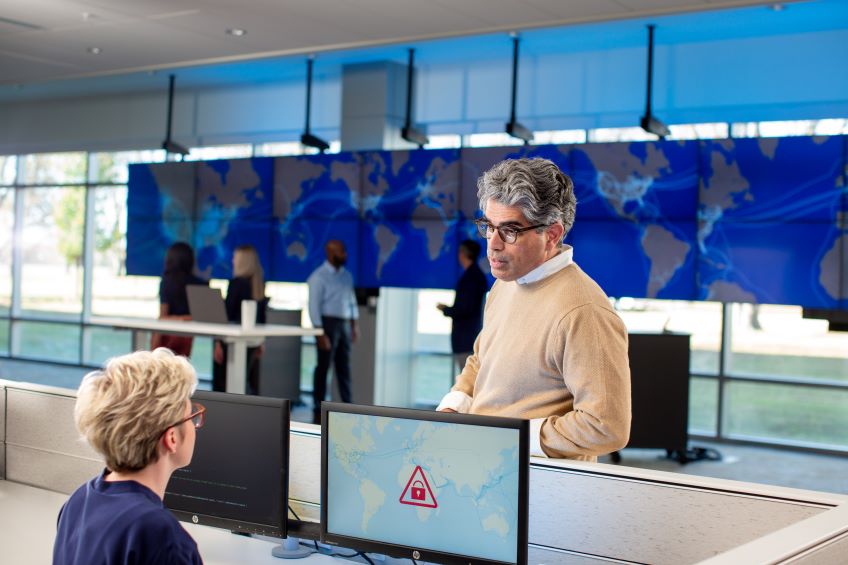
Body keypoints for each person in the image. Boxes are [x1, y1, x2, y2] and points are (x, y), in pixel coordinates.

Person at [437, 158, 631, 461]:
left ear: (551, 234)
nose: (493, 245)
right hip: (483, 467)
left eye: (510, 230)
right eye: (488, 226)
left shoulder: (584, 311)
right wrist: (454, 406)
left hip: (540, 490)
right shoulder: (507, 283)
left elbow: (606, 426)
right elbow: (481, 359)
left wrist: (510, 438)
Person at [53, 349, 204, 565]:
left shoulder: (79, 500)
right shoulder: (163, 537)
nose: (195, 425)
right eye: (192, 416)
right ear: (171, 438)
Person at [307, 239, 358, 424]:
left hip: (344, 323)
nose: (344, 255)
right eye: (340, 252)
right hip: (326, 324)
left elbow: (351, 301)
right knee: (323, 367)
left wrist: (354, 325)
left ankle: (348, 405)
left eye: (344, 251)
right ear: (329, 252)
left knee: (344, 367)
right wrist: (319, 332)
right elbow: (313, 306)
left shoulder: (347, 276)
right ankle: (317, 407)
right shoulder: (318, 277)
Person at [213, 244, 267, 395]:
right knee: (246, 379)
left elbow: (227, 315)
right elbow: (262, 318)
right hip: (253, 340)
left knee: (227, 382)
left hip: (233, 340)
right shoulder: (259, 284)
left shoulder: (236, 284)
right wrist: (261, 341)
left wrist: (218, 341)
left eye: (235, 257)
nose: (232, 260)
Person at [437, 239, 489, 375]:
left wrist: (446, 309)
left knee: (467, 382)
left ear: (463, 254)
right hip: (470, 335)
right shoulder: (475, 275)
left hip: (466, 338)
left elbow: (465, 308)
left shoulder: (471, 278)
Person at [150, 242, 207, 357]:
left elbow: (163, 316)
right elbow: (203, 315)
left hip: (168, 333)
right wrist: (186, 319)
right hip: (187, 334)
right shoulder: (200, 284)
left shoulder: (166, 282)